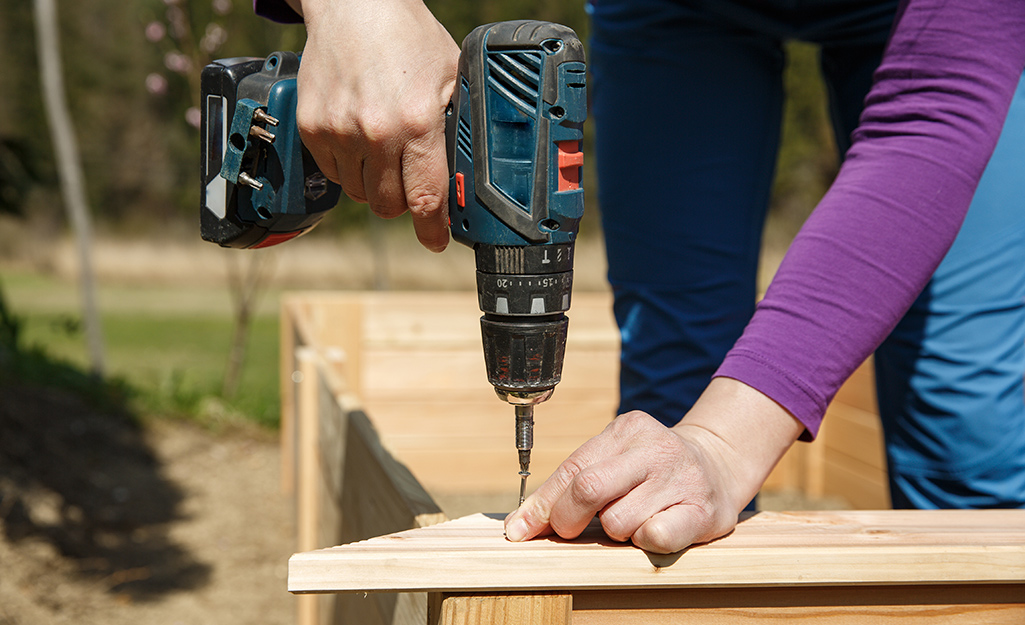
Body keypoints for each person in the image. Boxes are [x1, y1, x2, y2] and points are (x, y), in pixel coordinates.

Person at [255, 0, 1025, 553]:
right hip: (677, 13)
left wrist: (724, 443)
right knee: (662, 446)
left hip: (931, 32)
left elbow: (933, 112)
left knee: (968, 431)